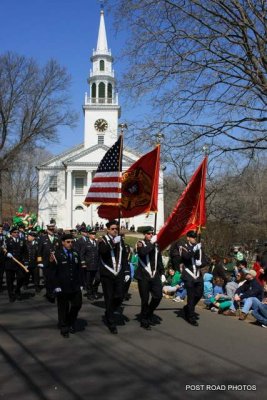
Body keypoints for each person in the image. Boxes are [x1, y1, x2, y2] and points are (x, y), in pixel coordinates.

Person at [98, 220, 130, 334]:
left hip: (119, 273)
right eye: (112, 229)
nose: (115, 230)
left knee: (120, 296)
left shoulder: (120, 240)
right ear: (107, 230)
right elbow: (103, 252)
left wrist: (126, 271)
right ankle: (111, 322)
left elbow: (124, 256)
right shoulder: (102, 240)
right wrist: (113, 243)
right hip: (107, 273)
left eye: (116, 228)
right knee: (109, 297)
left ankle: (109, 311)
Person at [50, 233, 83, 338]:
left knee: (77, 304)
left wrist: (82, 283)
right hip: (62, 286)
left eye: (72, 242)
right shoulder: (56, 254)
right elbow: (52, 272)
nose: (70, 244)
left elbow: (79, 270)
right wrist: (56, 286)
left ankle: (70, 321)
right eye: (68, 242)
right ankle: (64, 327)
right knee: (63, 308)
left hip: (75, 285)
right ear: (63, 242)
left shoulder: (75, 253)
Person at [135, 226, 165, 330]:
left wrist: (162, 273)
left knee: (158, 296)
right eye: (148, 233)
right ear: (144, 234)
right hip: (143, 276)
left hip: (154, 275)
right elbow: (143, 253)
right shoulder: (140, 243)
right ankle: (144, 320)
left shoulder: (156, 245)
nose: (150, 235)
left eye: (152, 233)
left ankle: (149, 312)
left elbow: (159, 260)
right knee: (145, 299)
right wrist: (151, 243)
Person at [177, 230, 205, 326]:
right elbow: (185, 257)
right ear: (188, 237)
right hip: (188, 275)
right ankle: (191, 316)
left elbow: (205, 259)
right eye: (192, 237)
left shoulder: (199, 247)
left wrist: (202, 263)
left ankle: (188, 308)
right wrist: (194, 250)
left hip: (198, 274)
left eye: (195, 237)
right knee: (191, 295)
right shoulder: (183, 246)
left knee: (199, 294)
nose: (194, 239)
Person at [37, 223, 61, 302]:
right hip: (46, 262)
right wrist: (40, 261)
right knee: (47, 279)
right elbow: (39, 251)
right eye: (50, 229)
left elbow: (60, 250)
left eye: (52, 229)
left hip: (55, 262)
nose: (51, 230)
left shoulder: (57, 237)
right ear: (47, 229)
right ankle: (49, 293)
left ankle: (54, 292)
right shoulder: (42, 238)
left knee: (55, 278)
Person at [4, 226, 28, 302]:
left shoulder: (22, 240)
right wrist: (6, 254)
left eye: (18, 232)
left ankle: (17, 290)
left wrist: (26, 262)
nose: (17, 233)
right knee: (10, 280)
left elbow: (25, 252)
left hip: (19, 263)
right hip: (10, 263)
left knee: (21, 277)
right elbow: (2, 251)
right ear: (11, 233)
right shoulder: (7, 240)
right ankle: (11, 295)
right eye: (15, 232)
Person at [80, 229, 100, 300]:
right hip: (89, 265)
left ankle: (94, 291)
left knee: (98, 279)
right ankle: (89, 294)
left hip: (97, 265)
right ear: (89, 235)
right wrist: (83, 263)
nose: (94, 235)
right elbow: (82, 254)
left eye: (94, 234)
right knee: (89, 281)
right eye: (92, 234)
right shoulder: (85, 243)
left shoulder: (97, 243)